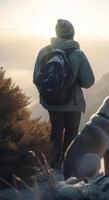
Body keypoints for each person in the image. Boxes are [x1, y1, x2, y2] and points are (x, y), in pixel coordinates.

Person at [33, 19, 95, 169]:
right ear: (72, 34)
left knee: (56, 130)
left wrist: (52, 91)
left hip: (51, 101)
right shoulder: (78, 54)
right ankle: (67, 163)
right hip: (72, 102)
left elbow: (36, 78)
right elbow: (88, 82)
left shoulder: (44, 51)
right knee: (71, 132)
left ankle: (53, 163)